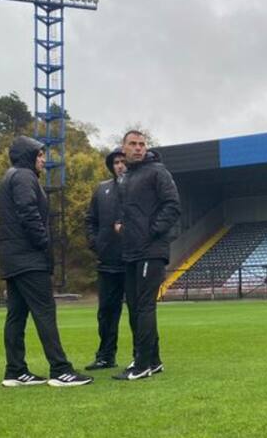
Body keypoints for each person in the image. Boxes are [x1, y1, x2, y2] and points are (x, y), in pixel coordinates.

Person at [0, 135, 93, 387]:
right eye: (39, 155)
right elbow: (28, 212)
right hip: (29, 258)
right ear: (28, 156)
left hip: (12, 259)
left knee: (16, 315)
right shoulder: (24, 177)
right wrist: (43, 242)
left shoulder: (9, 176)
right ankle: (61, 370)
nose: (43, 160)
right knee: (44, 312)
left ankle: (15, 371)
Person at [112, 130, 181, 381]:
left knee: (144, 306)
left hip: (150, 250)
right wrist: (122, 224)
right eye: (133, 144)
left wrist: (151, 232)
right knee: (134, 307)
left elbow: (172, 205)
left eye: (142, 144)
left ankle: (141, 364)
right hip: (130, 251)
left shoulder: (157, 172)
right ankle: (153, 359)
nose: (138, 148)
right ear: (124, 148)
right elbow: (128, 211)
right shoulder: (126, 177)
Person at [84, 147, 130, 370]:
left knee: (139, 313)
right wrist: (96, 243)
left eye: (123, 161)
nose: (120, 165)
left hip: (133, 261)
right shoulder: (102, 190)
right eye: (116, 162)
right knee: (106, 313)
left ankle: (142, 356)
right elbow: (90, 220)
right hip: (107, 262)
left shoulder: (141, 188)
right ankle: (105, 356)